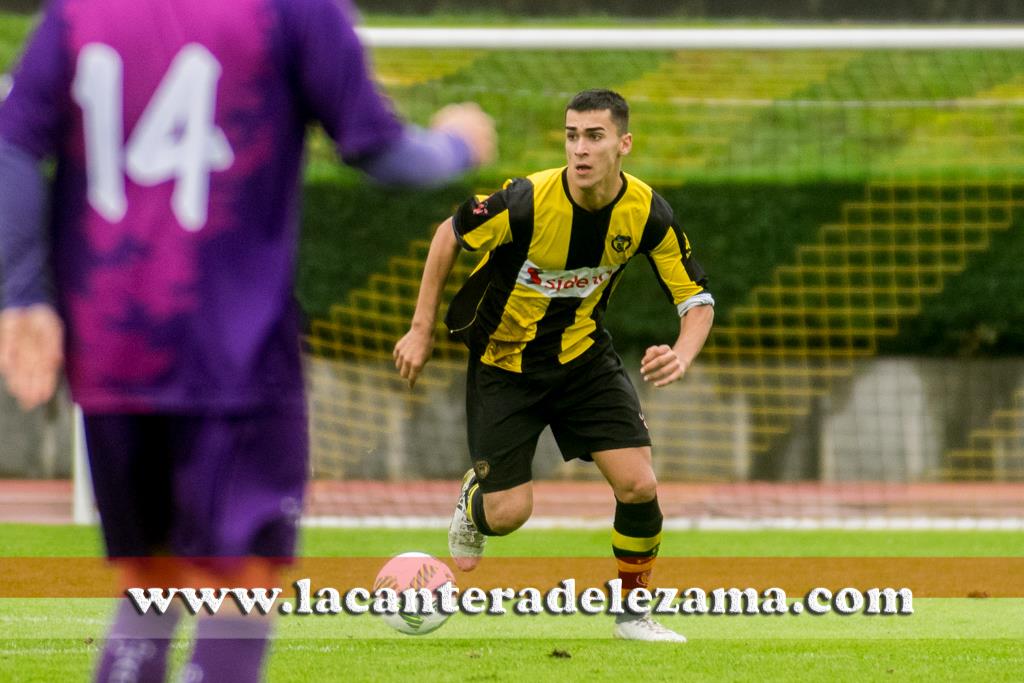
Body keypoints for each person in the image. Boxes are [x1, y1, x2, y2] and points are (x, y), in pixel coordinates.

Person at [0, 0, 495, 681]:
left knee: (150, 586)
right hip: (234, 351)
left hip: (114, 353)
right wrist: (458, 142)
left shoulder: (79, 13)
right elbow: (383, 154)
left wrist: (22, 294)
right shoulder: (293, 10)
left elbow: (14, 141)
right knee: (242, 587)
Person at [394, 88, 714, 642]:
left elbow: (697, 301)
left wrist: (682, 354)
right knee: (509, 515)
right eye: (572, 136)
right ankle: (476, 503)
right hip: (504, 365)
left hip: (582, 359)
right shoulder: (526, 202)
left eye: (594, 136)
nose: (580, 150)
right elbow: (450, 234)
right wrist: (420, 331)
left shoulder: (647, 213)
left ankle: (633, 614)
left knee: (639, 484)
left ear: (624, 143)